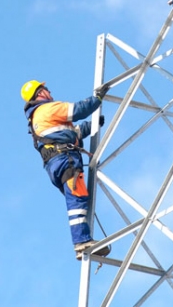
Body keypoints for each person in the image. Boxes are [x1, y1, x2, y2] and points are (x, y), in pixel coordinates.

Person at [21, 79, 112, 259]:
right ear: (39, 94)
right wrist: (97, 98)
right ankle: (81, 242)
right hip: (64, 159)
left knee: (77, 197)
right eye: (45, 88)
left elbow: (71, 133)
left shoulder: (37, 118)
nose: (49, 90)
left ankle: (82, 240)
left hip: (56, 162)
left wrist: (92, 125)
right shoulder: (47, 109)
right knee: (77, 198)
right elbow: (77, 110)